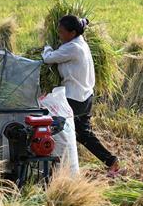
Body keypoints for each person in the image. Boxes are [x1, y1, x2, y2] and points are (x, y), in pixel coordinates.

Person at [42, 15, 121, 177]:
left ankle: (57, 169)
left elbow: (48, 58)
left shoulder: (72, 48)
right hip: (85, 96)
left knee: (58, 129)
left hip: (74, 98)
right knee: (82, 133)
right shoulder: (80, 42)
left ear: (72, 32)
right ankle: (110, 161)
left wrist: (47, 47)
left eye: (61, 31)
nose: (59, 34)